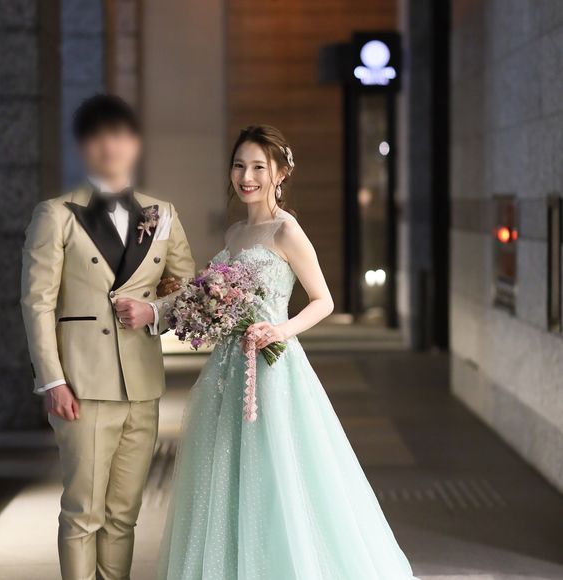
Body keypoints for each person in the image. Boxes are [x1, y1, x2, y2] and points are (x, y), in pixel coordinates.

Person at [123, 124, 418, 579]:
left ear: (280, 173)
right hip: (226, 370)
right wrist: (169, 312)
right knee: (225, 480)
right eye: (239, 166)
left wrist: (280, 329)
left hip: (272, 371)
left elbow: (323, 300)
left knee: (277, 475)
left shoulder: (287, 230)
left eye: (259, 167)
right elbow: (207, 295)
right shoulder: (235, 232)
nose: (247, 177)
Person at [20, 93, 195, 580]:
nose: (109, 146)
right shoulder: (55, 214)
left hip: (142, 385)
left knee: (123, 516)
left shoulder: (162, 213)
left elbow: (189, 291)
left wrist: (154, 311)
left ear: (134, 144)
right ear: (83, 146)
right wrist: (52, 380)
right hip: (82, 385)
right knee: (83, 513)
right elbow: (36, 302)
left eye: (119, 135)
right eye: (97, 136)